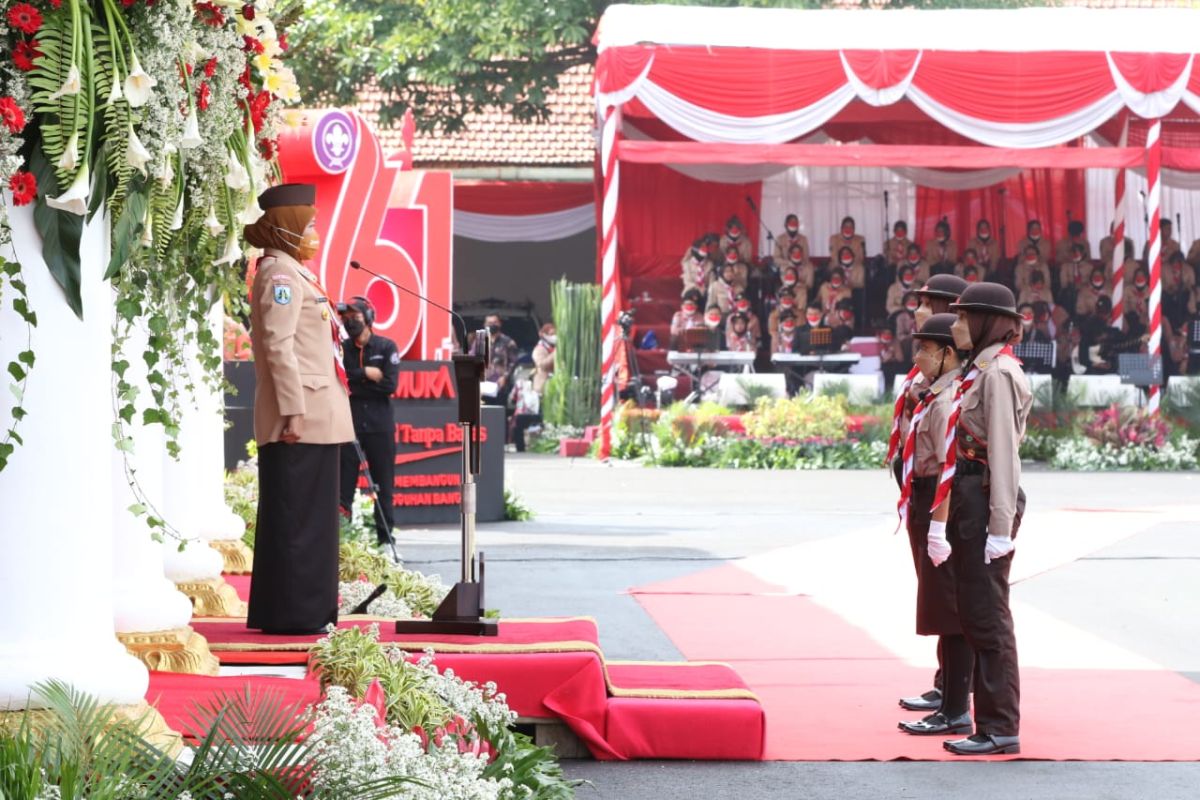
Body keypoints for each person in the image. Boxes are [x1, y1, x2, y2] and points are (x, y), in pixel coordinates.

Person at [245, 183, 354, 635]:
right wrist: (291, 408)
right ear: (286, 226)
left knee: (304, 515)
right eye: (307, 225)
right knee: (299, 520)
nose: (313, 233)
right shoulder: (282, 276)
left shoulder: (293, 271)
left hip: (315, 411)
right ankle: (297, 613)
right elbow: (277, 344)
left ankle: (294, 608)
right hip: (302, 415)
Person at [941, 282, 1031, 756]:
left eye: (962, 317)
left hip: (985, 498)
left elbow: (1004, 454)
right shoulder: (980, 370)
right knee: (976, 612)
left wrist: (1000, 528)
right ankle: (991, 721)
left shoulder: (997, 374)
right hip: (969, 495)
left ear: (984, 322)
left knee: (988, 616)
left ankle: (999, 725)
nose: (955, 326)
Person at [892, 272, 968, 711]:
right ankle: (947, 684)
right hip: (917, 487)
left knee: (947, 599)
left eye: (924, 303)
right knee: (936, 595)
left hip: (938, 493)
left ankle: (955, 695)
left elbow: (948, 458)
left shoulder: (956, 372)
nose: (916, 308)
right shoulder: (931, 368)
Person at [337, 296, 401, 548]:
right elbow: (341, 382)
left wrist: (355, 384)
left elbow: (389, 385)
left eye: (355, 317)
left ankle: (386, 540)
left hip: (380, 426)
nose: (349, 322)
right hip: (349, 426)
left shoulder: (386, 347)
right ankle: (342, 540)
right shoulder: (342, 348)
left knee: (383, 485)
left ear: (369, 319)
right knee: (343, 488)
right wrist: (364, 373)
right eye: (345, 318)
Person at [481, 314, 520, 405]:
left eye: (495, 322)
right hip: (483, 384)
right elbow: (472, 358)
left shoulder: (508, 342)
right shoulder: (480, 341)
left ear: (500, 324)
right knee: (481, 413)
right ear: (484, 324)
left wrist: (505, 377)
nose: (492, 325)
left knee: (498, 413)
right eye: (489, 323)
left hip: (500, 385)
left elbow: (513, 362)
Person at [532, 322, 556, 395]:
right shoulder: (539, 349)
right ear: (544, 335)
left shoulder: (553, 348)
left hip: (553, 386)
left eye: (555, 334)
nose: (554, 337)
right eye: (551, 334)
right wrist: (555, 354)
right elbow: (542, 365)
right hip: (542, 386)